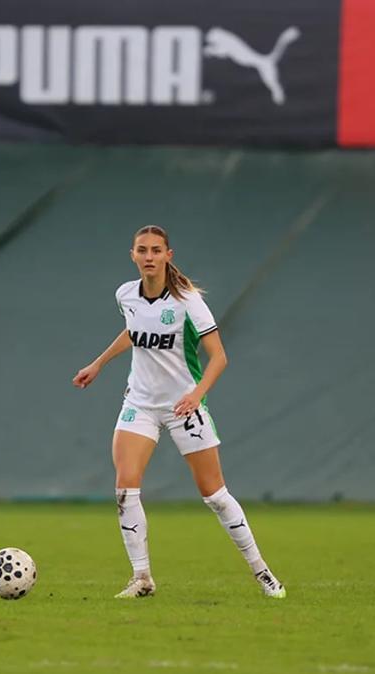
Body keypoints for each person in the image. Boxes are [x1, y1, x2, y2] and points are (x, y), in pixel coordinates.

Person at [72, 225, 285, 600]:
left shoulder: (187, 301)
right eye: (143, 250)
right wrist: (99, 363)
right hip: (139, 403)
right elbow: (134, 331)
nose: (149, 257)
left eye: (156, 250)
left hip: (183, 405)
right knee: (125, 486)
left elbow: (219, 357)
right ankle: (141, 578)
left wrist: (196, 395)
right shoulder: (126, 295)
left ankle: (262, 572)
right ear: (133, 255)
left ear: (168, 255)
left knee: (215, 494)